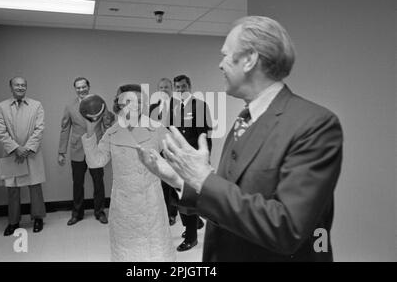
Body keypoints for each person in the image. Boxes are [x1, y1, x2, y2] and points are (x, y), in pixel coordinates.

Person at [138, 16, 343, 261]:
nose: (220, 64)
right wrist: (179, 179)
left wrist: (204, 179)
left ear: (249, 60)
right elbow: (229, 199)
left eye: (226, 55)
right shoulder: (244, 119)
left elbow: (288, 229)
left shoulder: (314, 125)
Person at [81, 84, 175, 262]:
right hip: (124, 205)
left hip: (151, 203)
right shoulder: (112, 132)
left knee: (155, 254)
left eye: (140, 101)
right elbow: (96, 162)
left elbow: (176, 155)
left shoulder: (156, 128)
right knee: (127, 255)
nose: (136, 106)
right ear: (120, 104)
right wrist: (90, 130)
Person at [0, 76, 46, 236]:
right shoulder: (1, 107)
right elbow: (0, 131)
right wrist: (16, 148)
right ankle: (13, 222)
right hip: (12, 154)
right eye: (17, 85)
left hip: (31, 153)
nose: (20, 87)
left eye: (23, 85)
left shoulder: (36, 105)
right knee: (12, 189)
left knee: (35, 187)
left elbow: (39, 129)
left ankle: (38, 218)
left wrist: (27, 148)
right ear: (10, 87)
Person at [58, 77, 113, 226]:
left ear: (88, 87)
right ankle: (77, 214)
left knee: (98, 182)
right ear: (75, 89)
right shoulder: (70, 106)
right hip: (77, 150)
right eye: (78, 88)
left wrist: (110, 146)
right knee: (77, 183)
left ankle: (100, 212)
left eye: (83, 87)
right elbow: (65, 129)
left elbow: (107, 124)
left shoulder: (99, 102)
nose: (81, 90)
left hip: (96, 148)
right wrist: (61, 151)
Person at [166, 75, 212, 252]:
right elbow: (168, 131)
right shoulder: (171, 106)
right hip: (176, 156)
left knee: (188, 196)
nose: (180, 90)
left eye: (183, 87)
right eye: (177, 87)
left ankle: (191, 237)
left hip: (192, 159)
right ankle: (196, 222)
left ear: (190, 87)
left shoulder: (200, 106)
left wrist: (204, 159)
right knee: (176, 195)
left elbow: (204, 136)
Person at [149, 78, 178, 226]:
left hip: (175, 149)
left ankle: (181, 214)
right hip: (159, 150)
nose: (163, 90)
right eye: (161, 87)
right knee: (164, 183)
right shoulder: (153, 108)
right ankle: (168, 213)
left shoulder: (179, 106)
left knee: (177, 183)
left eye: (166, 87)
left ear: (171, 88)